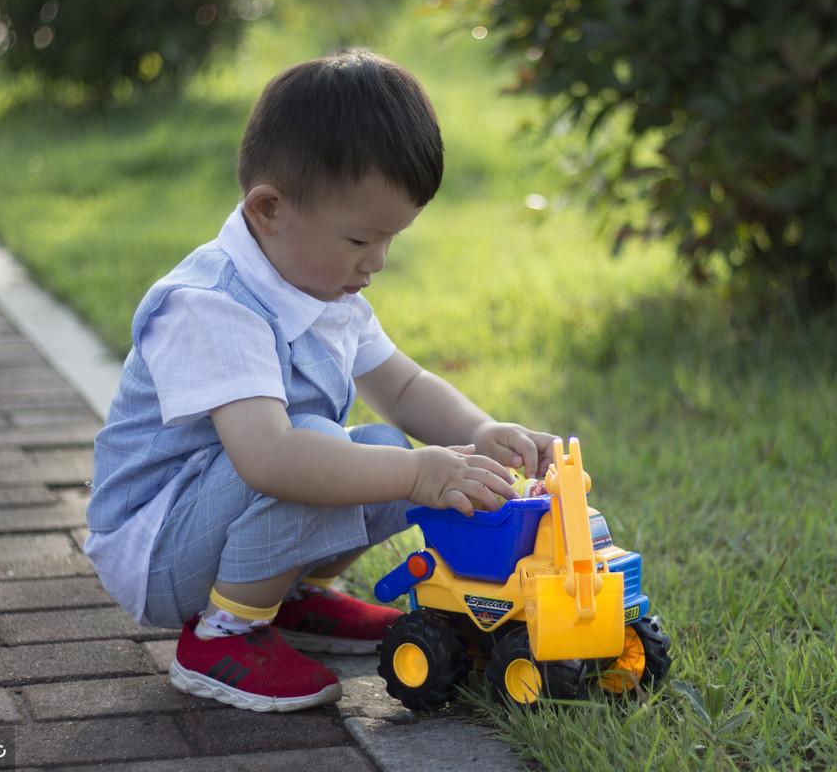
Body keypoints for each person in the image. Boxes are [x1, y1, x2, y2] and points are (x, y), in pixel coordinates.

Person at [85, 49, 557, 713]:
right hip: (158, 549)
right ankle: (223, 634)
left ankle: (287, 596)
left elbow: (404, 385)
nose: (379, 262)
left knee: (385, 444)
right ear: (270, 210)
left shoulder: (324, 289)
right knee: (322, 447)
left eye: (391, 239)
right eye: (361, 240)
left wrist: (480, 433)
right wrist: (422, 475)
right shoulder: (213, 305)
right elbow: (272, 458)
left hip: (218, 519)